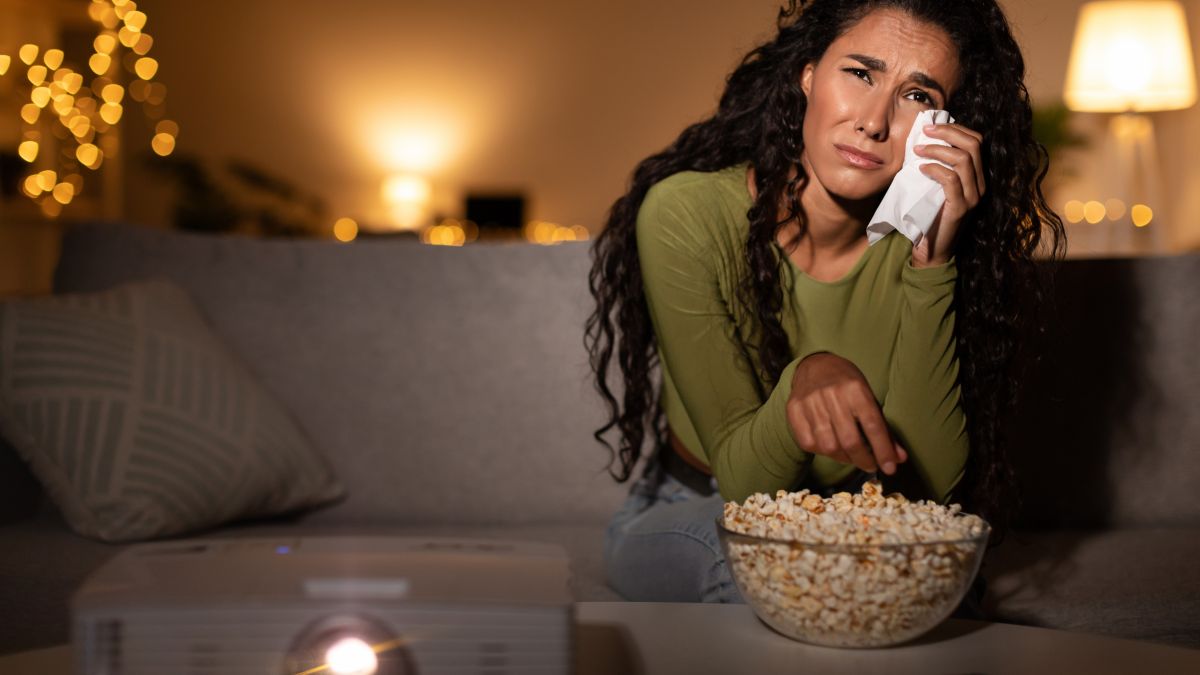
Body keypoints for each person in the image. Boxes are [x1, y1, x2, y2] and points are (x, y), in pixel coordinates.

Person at [584, 0, 1065, 608]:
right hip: (699, 505)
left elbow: (930, 494)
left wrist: (932, 264)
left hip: (852, 521)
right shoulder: (685, 212)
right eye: (859, 74)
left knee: (937, 589)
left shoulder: (923, 238)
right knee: (781, 583)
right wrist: (803, 380)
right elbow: (743, 484)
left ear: (944, 123)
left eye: (916, 96)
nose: (874, 122)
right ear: (807, 74)